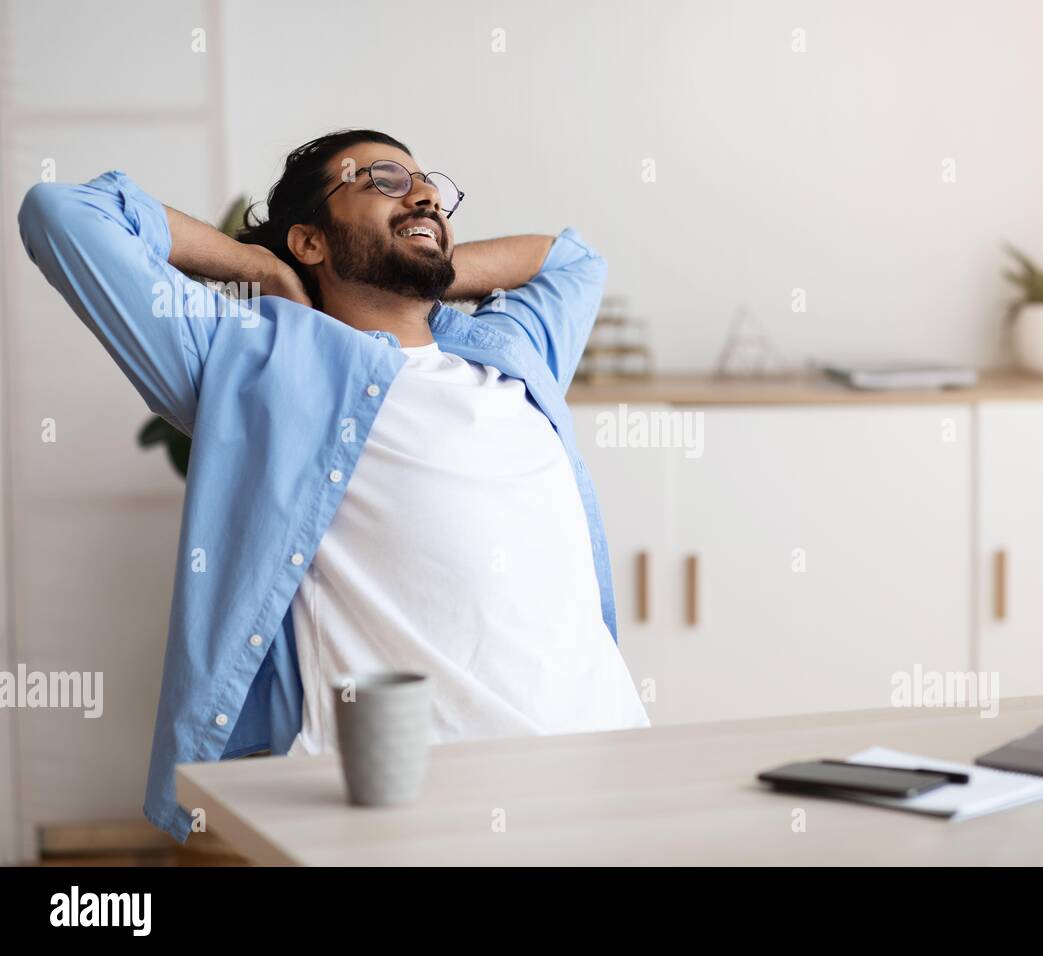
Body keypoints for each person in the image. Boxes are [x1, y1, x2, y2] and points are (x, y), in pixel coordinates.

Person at [17, 128, 649, 845]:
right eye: (379, 178)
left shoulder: (511, 350)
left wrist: (421, 255)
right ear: (311, 241)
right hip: (416, 812)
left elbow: (573, 261)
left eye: (427, 186)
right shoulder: (258, 361)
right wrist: (266, 269)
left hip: (609, 774)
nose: (424, 194)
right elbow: (60, 213)